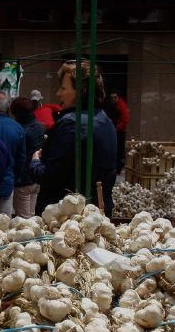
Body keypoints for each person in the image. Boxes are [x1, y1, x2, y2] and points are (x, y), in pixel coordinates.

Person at [32, 60, 117, 215]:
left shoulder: (71, 124)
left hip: (66, 219)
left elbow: (52, 176)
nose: (58, 93)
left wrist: (35, 163)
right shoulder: (106, 121)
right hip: (97, 211)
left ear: (81, 90)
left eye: (63, 88)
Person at [0, 91, 25, 215]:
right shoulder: (17, 128)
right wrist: (14, 177)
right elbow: (21, 159)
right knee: (4, 225)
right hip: (7, 181)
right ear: (8, 106)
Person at [11, 97, 45, 218]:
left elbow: (19, 156)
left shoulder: (21, 131)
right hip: (36, 177)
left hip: (23, 179)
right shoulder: (40, 127)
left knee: (23, 220)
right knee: (32, 216)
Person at [108, 90, 130, 174]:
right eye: (111, 97)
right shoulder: (113, 105)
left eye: (115, 97)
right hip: (115, 130)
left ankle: (118, 168)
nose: (113, 99)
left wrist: (117, 128)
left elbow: (125, 119)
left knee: (118, 150)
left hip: (119, 132)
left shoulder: (121, 105)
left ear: (118, 97)